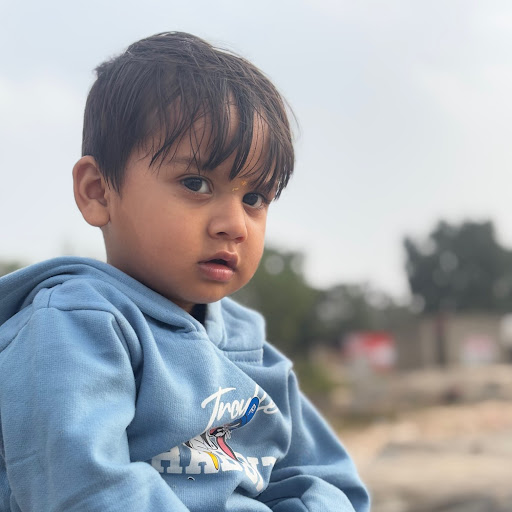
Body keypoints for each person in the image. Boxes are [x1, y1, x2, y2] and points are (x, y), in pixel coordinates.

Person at [0, 32, 370, 511]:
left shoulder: (253, 351)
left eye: (254, 198)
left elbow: (332, 482)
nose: (234, 224)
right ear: (98, 191)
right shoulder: (75, 328)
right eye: (196, 183)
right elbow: (87, 491)